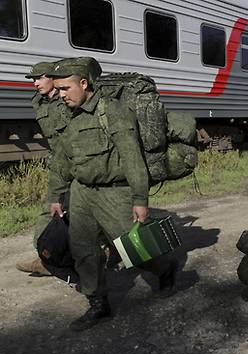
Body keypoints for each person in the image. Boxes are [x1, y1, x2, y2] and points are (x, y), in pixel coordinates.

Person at [47, 57, 177, 332]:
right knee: (84, 252)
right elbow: (61, 160)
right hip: (81, 193)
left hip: (114, 193)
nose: (60, 95)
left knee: (136, 248)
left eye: (65, 88)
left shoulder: (112, 111)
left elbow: (132, 158)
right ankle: (98, 304)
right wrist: (56, 195)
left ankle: (165, 269)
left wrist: (140, 199)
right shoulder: (68, 116)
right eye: (57, 89)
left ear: (84, 83)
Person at [15, 61, 69, 276]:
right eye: (33, 79)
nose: (35, 83)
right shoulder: (40, 101)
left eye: (39, 78)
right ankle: (46, 258)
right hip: (60, 163)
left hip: (79, 163)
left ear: (53, 78)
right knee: (52, 209)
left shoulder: (68, 99)